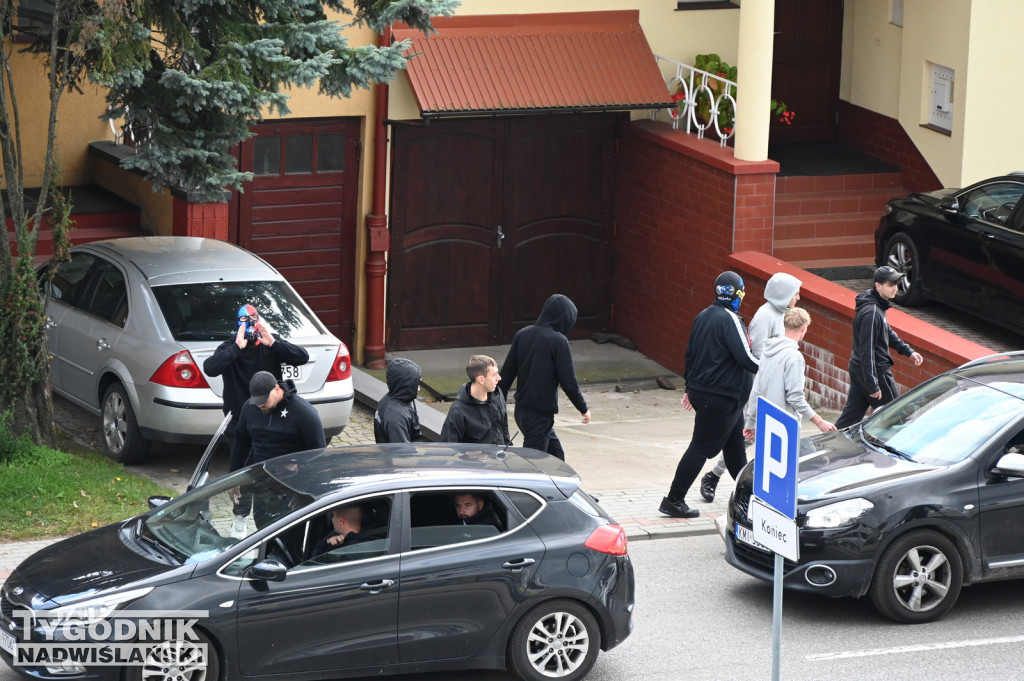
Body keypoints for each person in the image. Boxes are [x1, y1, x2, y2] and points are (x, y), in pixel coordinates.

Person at [659, 271, 759, 519]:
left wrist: (688, 388)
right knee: (700, 448)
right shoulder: (730, 319)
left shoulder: (702, 316)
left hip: (711, 395)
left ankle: (753, 499)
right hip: (722, 397)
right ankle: (673, 499)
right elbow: (745, 358)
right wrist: (769, 369)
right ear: (737, 293)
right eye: (742, 291)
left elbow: (690, 356)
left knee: (736, 451)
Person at [203, 304, 309, 537]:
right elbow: (210, 368)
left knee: (272, 467)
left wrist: (274, 343)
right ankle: (240, 517)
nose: (252, 326)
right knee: (241, 470)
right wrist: (237, 347)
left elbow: (303, 357)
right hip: (240, 419)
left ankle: (275, 515)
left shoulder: (271, 342)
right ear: (238, 324)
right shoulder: (231, 346)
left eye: (255, 320)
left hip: (272, 418)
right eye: (246, 321)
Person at [701, 271, 802, 502]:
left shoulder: (788, 315)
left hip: (778, 388)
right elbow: (754, 355)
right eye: (795, 292)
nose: (798, 297)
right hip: (760, 388)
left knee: (759, 439)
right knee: (746, 437)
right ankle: (715, 476)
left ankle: (761, 486)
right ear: (783, 293)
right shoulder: (764, 317)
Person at [499, 294, 591, 460]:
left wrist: (498, 404)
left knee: (556, 458)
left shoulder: (523, 334)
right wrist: (583, 408)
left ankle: (558, 485)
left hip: (521, 411)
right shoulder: (558, 341)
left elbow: (506, 375)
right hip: (539, 416)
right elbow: (569, 382)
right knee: (534, 465)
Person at [233, 371, 326, 528]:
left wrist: (303, 490)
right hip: (262, 484)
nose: (260, 405)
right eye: (257, 401)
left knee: (286, 535)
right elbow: (241, 444)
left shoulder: (304, 413)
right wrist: (234, 478)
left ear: (277, 389)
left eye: (264, 400)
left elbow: (318, 455)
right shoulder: (250, 408)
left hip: (291, 487)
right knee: (262, 529)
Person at [834, 266, 924, 428]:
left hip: (859, 368)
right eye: (890, 285)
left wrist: (908, 351)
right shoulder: (872, 312)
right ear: (878, 285)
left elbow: (887, 332)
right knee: (896, 417)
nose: (895, 288)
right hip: (875, 372)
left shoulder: (876, 306)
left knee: (850, 417)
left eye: (896, 284)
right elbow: (866, 350)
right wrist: (872, 383)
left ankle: (828, 446)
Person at [741, 307, 836, 440]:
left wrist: (751, 422)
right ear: (804, 328)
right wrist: (819, 422)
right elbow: (795, 397)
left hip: (766, 421)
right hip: (784, 427)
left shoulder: (767, 352)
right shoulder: (794, 357)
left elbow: (757, 389)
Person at [440, 355, 512, 445]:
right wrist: (468, 454)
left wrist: (509, 450)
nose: (499, 378)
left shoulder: (497, 394)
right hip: (474, 458)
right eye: (494, 375)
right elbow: (448, 445)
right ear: (481, 379)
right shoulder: (458, 411)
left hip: (499, 456)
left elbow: (504, 427)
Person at [374, 358, 424, 443]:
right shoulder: (396, 417)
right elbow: (401, 451)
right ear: (407, 384)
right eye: (416, 383)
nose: (418, 387)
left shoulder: (390, 399)